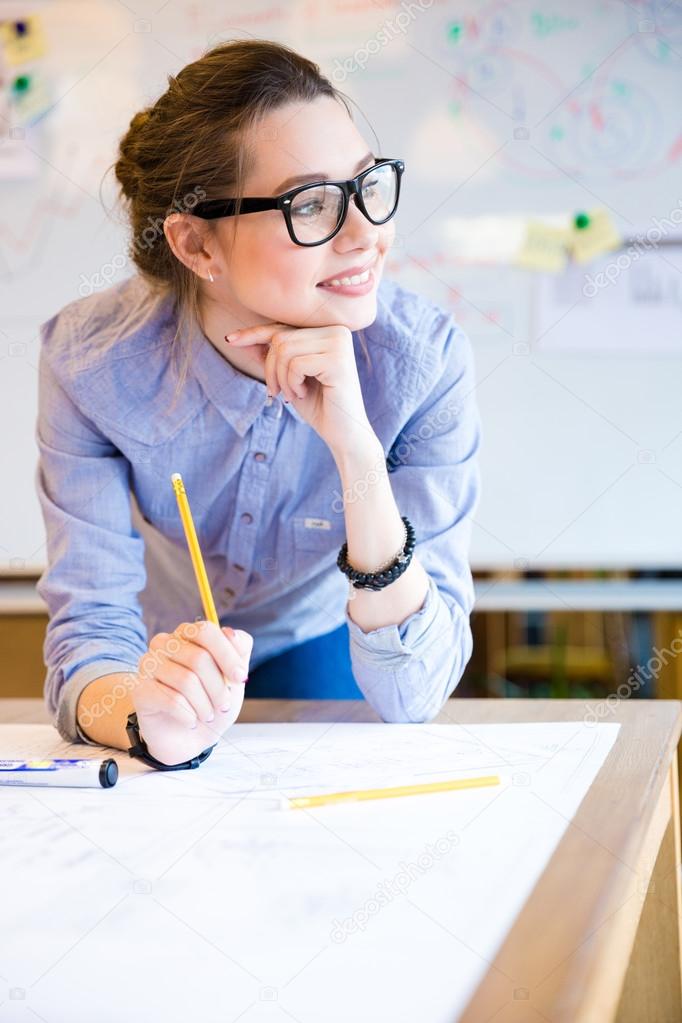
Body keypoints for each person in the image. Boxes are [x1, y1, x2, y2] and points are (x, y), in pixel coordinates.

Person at [36, 39, 481, 768]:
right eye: (311, 204)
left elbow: (416, 694)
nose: (368, 236)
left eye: (368, 186)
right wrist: (143, 719)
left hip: (322, 635)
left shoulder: (421, 363)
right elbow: (90, 636)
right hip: (158, 650)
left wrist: (358, 453)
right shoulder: (93, 365)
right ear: (196, 245)